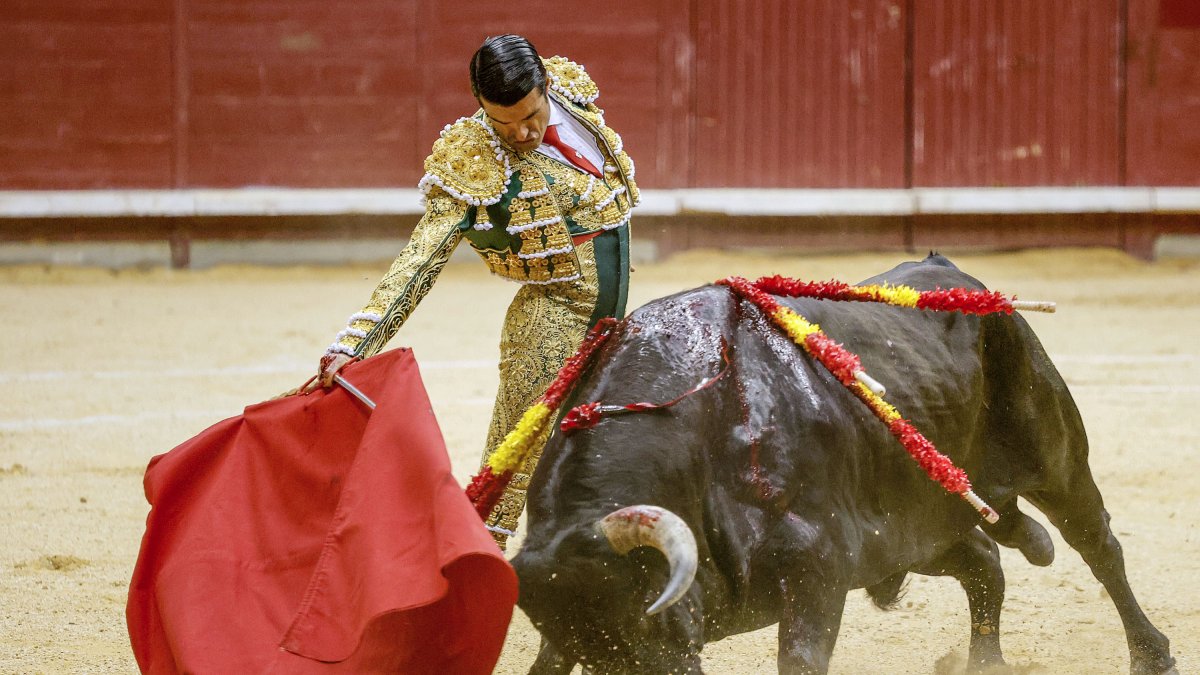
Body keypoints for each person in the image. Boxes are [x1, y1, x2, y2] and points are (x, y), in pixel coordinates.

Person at [315, 34, 639, 549]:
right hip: (549, 322)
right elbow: (422, 256)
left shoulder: (572, 95)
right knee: (512, 463)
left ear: (546, 86)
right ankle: (473, 565)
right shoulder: (473, 160)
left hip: (612, 319)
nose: (521, 134)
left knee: (604, 442)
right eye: (502, 124)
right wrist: (356, 343)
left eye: (530, 117)